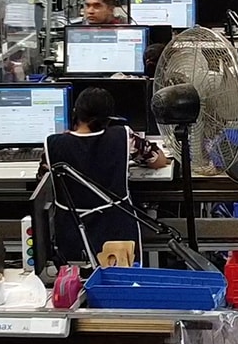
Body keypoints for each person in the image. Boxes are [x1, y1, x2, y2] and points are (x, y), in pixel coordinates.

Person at [42, 87, 168, 266]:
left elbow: (44, 182)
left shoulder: (53, 144)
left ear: (75, 113)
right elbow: (159, 160)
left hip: (72, 235)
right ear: (109, 118)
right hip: (117, 235)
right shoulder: (123, 137)